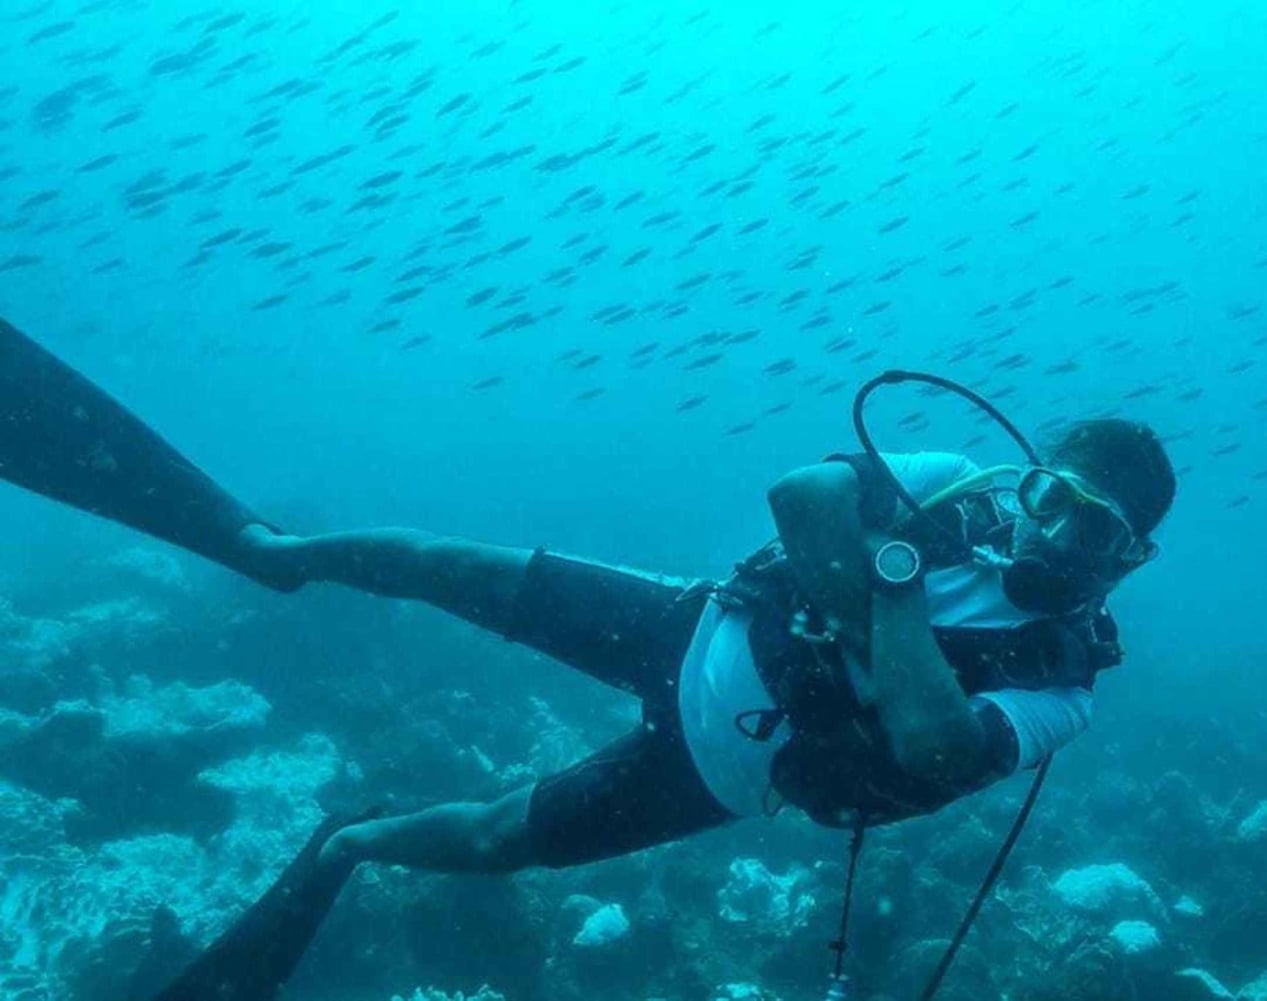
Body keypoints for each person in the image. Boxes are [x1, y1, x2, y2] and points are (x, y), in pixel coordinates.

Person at [0, 317, 1176, 999]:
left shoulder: (1062, 685)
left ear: (1131, 562)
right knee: (437, 561)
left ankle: (347, 843)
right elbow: (803, 493)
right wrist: (893, 616)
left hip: (713, 775)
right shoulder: (953, 485)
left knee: (495, 839)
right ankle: (271, 550)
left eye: (1099, 534)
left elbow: (937, 744)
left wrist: (887, 583)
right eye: (1055, 500)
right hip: (689, 625)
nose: (1059, 540)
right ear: (1028, 480)